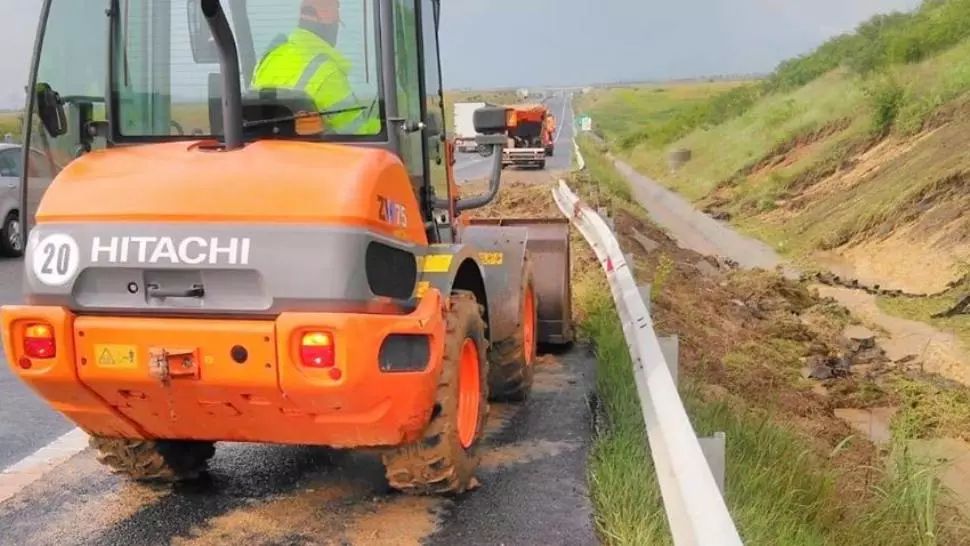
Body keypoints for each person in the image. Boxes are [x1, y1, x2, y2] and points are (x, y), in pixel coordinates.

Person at [252, 0, 380, 135]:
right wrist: (383, 123)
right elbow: (357, 134)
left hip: (267, 147)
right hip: (307, 148)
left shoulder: (270, 58)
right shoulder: (329, 74)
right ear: (331, 26)